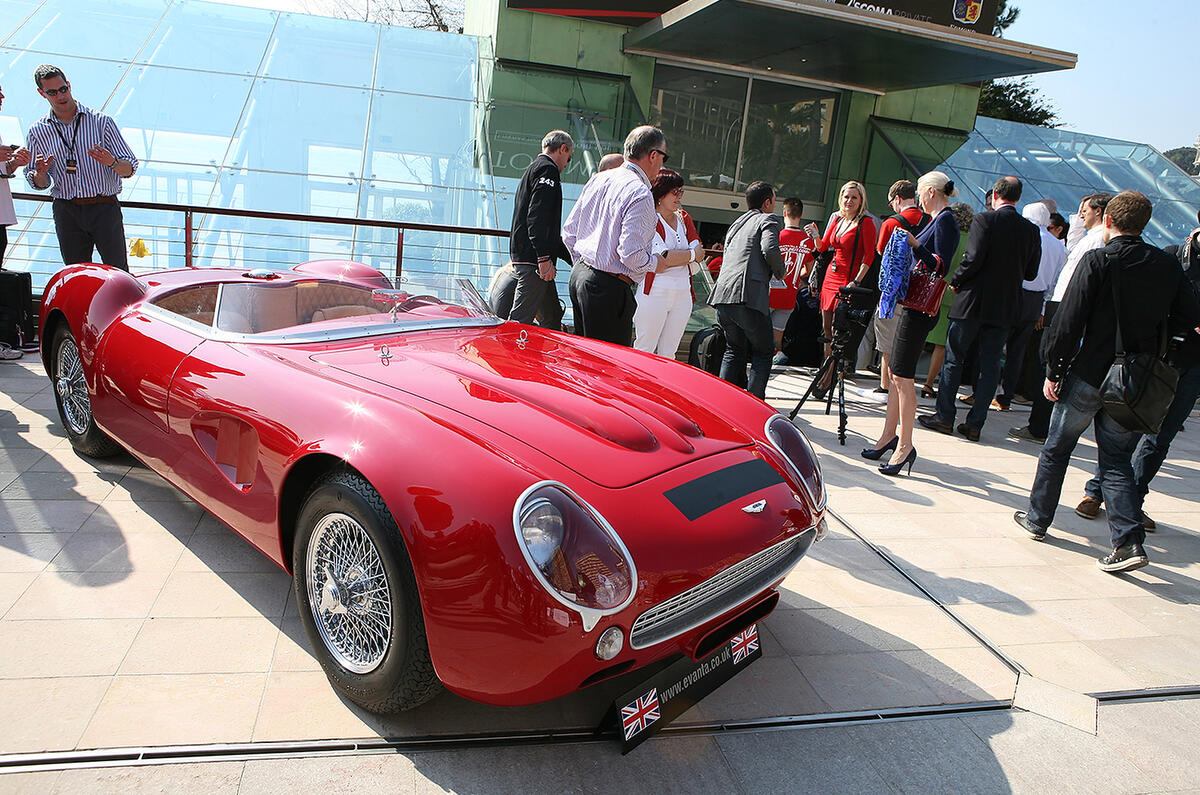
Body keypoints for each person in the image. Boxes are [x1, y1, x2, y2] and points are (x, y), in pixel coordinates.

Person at [1013, 191, 1200, 573]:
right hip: (1132, 380)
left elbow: (1069, 320)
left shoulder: (1099, 259)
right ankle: (1128, 542)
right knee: (1115, 461)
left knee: (1057, 447)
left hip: (1088, 373)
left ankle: (1038, 518)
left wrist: (1053, 369)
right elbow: (1188, 318)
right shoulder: (1166, 265)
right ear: (1143, 224)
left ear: (1108, 221)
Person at [1073, 219, 1200, 530]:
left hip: (1194, 364)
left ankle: (1134, 501)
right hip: (1158, 359)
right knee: (1127, 427)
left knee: (1161, 437)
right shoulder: (1173, 257)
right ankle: (1096, 492)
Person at [919, 176, 1040, 441]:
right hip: (1005, 306)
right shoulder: (1030, 230)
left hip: (972, 301)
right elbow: (1031, 273)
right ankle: (975, 423)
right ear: (1018, 198)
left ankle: (945, 416)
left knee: (955, 358)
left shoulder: (985, 220)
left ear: (995, 193)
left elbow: (972, 259)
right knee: (990, 365)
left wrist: (957, 281)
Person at [865, 172, 960, 476]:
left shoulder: (944, 220)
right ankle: (889, 437)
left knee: (903, 377)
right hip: (914, 304)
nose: (919, 199)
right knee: (896, 374)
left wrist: (914, 243)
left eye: (921, 193)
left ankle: (904, 445)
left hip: (920, 307)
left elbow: (939, 266)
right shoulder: (940, 218)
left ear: (931, 192)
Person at [563, 126, 690, 345]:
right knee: (606, 368)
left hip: (582, 276)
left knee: (585, 362)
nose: (662, 164)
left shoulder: (600, 178)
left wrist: (584, 267)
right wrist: (655, 263)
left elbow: (569, 232)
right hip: (607, 286)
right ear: (652, 155)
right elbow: (631, 254)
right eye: (663, 157)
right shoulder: (639, 192)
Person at [1010, 192, 1112, 444]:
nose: (1080, 216)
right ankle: (1040, 424)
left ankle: (1040, 426)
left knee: (1051, 362)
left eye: (1085, 211)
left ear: (1099, 212)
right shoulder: (1090, 238)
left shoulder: (1098, 240)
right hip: (1058, 303)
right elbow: (1071, 250)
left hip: (1067, 306)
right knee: (1045, 358)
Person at [23, 64, 138, 271]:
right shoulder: (38, 131)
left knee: (117, 272)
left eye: (63, 89)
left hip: (104, 207)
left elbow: (129, 168)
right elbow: (39, 183)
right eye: (52, 92)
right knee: (76, 273)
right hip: (66, 209)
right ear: (42, 94)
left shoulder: (101, 122)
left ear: (69, 85)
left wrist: (111, 162)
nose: (60, 95)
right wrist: (40, 174)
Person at [709, 181, 784, 399]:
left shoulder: (737, 223)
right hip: (748, 297)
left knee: (734, 350)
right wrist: (780, 271)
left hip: (723, 297)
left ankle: (721, 404)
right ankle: (755, 407)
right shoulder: (768, 218)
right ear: (768, 202)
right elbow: (770, 249)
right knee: (763, 352)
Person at [993, 202, 1066, 411]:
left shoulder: (1023, 236)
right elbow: (1055, 281)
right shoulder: (1058, 246)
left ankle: (985, 391)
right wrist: (1043, 309)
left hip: (1014, 294)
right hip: (1036, 301)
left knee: (995, 345)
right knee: (1018, 351)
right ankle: (1006, 397)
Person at [804, 180, 876, 388]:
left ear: (861, 200)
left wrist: (857, 281)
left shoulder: (866, 223)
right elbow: (824, 247)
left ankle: (831, 374)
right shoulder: (836, 219)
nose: (849, 200)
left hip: (847, 281)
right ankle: (827, 369)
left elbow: (869, 256)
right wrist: (816, 236)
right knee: (826, 329)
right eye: (846, 196)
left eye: (854, 197)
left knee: (838, 330)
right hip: (830, 278)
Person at [505, 130, 573, 325]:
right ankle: (507, 353)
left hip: (531, 257)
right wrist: (543, 257)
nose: (567, 163)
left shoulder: (533, 168)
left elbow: (540, 221)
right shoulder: (547, 170)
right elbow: (538, 217)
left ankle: (543, 355)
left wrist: (570, 258)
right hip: (535, 260)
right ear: (563, 148)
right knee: (519, 321)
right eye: (569, 157)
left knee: (552, 316)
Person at [633, 169, 702, 357]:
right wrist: (690, 255)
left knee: (669, 354)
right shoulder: (650, 219)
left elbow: (701, 252)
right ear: (661, 193)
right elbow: (663, 259)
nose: (679, 196)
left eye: (681, 191)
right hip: (654, 291)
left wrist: (681, 256)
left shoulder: (683, 217)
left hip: (683, 293)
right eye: (675, 191)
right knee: (644, 348)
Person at [872, 180, 929, 394]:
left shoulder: (892, 223)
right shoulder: (930, 220)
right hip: (919, 292)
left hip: (895, 291)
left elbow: (881, 252)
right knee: (909, 340)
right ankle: (904, 385)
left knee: (888, 340)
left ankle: (885, 386)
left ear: (897, 199)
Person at [920, 202, 974, 399]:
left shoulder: (949, 235)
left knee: (921, 337)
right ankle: (928, 383)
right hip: (955, 295)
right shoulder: (972, 240)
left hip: (934, 290)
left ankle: (903, 374)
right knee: (941, 345)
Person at [770, 197, 814, 360]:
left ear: (784, 213)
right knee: (778, 336)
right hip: (789, 295)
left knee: (760, 334)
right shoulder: (807, 241)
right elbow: (808, 270)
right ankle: (775, 360)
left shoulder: (777, 236)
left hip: (769, 293)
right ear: (801, 215)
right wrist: (795, 277)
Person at [487, 263, 564, 330]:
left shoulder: (505, 273)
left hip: (495, 330)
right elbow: (549, 320)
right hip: (509, 335)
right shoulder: (532, 276)